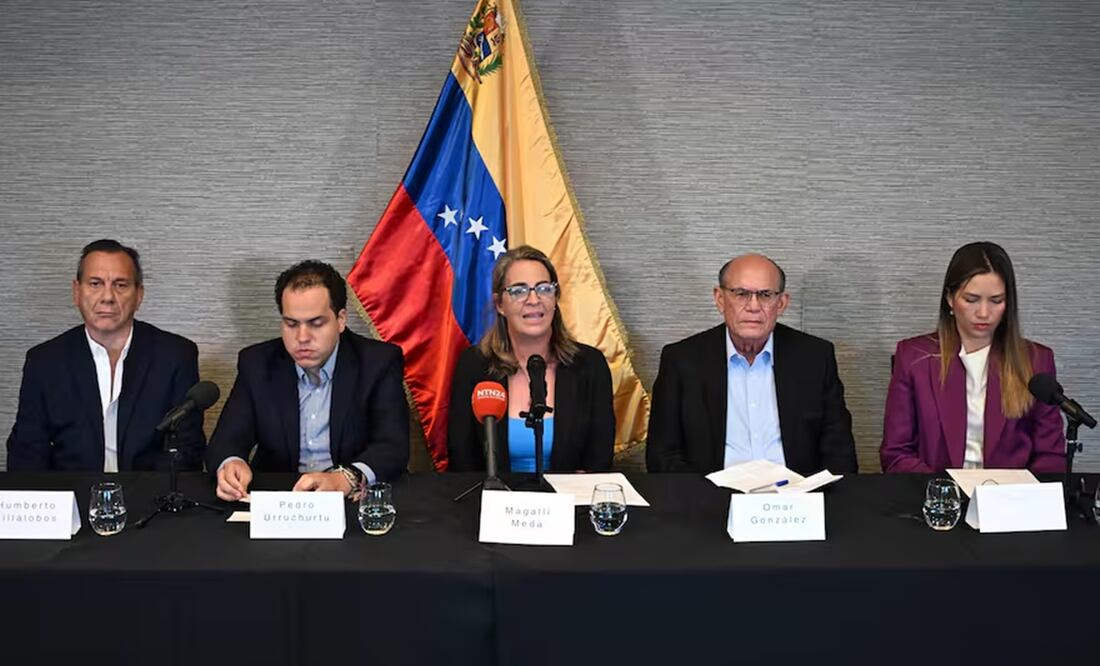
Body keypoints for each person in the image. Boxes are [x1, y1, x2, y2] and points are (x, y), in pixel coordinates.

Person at [206, 260, 409, 500]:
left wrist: (347, 477)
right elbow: (225, 442)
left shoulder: (378, 362)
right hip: (281, 500)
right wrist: (231, 464)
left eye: (316, 323)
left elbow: (393, 445)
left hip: (351, 500)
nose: (302, 337)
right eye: (291, 324)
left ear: (341, 320)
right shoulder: (257, 364)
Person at [646, 253, 857, 475]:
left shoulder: (814, 357)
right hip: (711, 499)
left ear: (782, 303)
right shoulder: (681, 360)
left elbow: (839, 449)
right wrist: (704, 499)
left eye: (765, 295)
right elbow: (662, 455)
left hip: (795, 498)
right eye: (741, 294)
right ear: (720, 299)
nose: (753, 306)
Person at [7, 239, 205, 471]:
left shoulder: (175, 355)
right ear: (76, 292)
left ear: (139, 295)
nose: (107, 296)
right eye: (95, 283)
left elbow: (187, 449)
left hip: (148, 496)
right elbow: (28, 451)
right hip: (72, 497)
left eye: (120, 285)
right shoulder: (44, 361)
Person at [880, 242, 1065, 473]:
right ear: (950, 298)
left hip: (1011, 500)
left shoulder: (1036, 360)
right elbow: (896, 453)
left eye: (996, 301)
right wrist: (944, 494)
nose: (984, 313)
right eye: (971, 299)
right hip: (936, 498)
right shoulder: (914, 357)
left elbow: (1051, 456)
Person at [447, 245, 614, 473]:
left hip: (570, 503)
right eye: (518, 291)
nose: (534, 299)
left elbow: (599, 461)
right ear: (499, 304)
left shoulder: (589, 365)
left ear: (555, 298)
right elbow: (462, 461)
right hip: (495, 503)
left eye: (544, 289)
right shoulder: (474, 366)